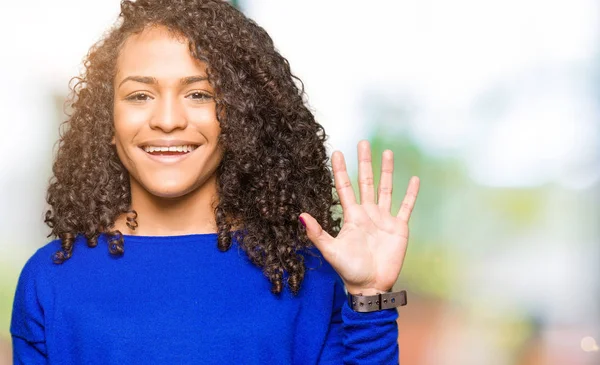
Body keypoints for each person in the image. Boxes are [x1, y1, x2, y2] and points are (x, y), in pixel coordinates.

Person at [10, 0, 420, 364]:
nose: (168, 119)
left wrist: (369, 297)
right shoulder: (50, 280)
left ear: (240, 117)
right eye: (140, 96)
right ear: (108, 120)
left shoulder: (306, 276)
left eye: (199, 95)